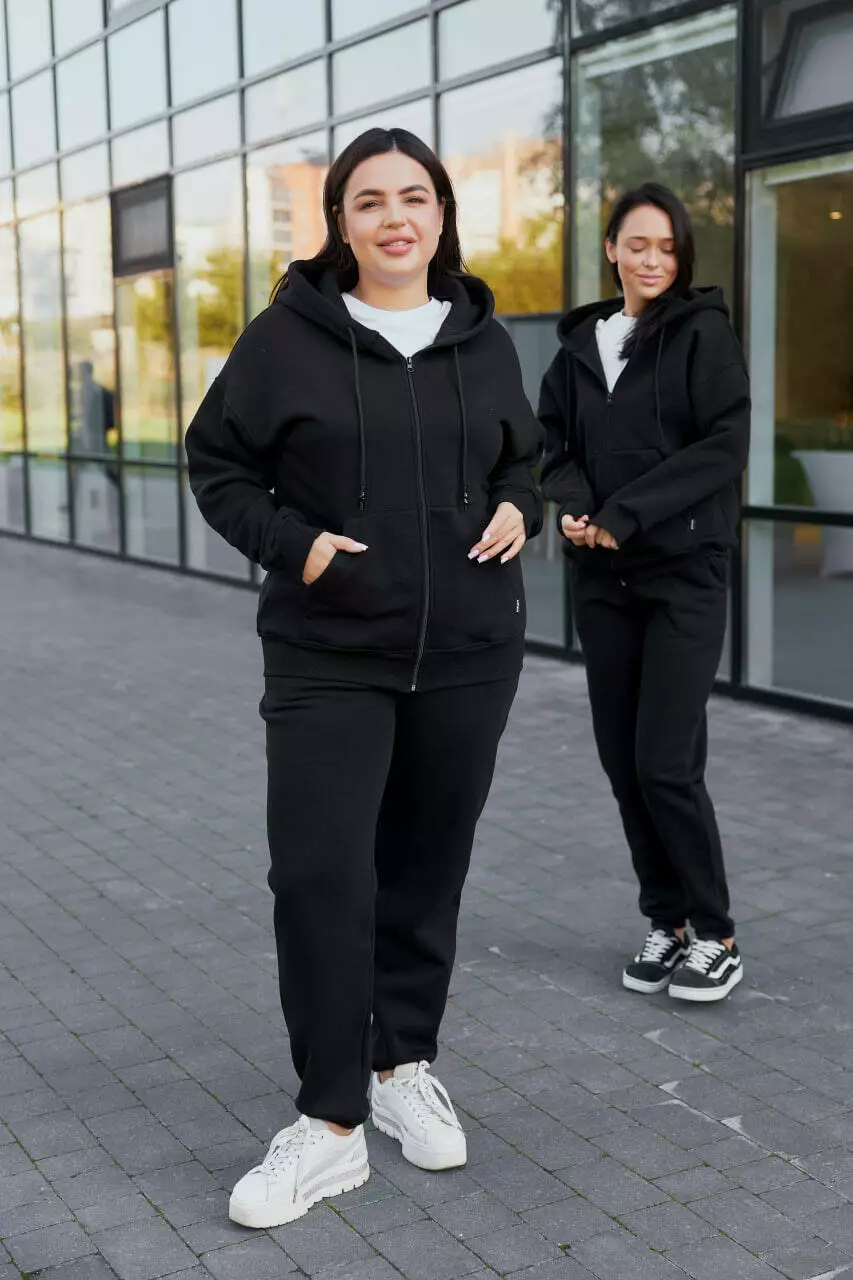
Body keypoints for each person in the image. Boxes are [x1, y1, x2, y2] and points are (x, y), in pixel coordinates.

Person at [185, 127, 542, 1228]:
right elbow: (216, 463)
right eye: (372, 200)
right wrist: (293, 546)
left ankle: (401, 1066)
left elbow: (523, 457)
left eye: (415, 197)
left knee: (427, 872)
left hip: (468, 655)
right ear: (339, 220)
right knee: (320, 877)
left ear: (441, 214)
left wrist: (520, 504)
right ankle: (329, 1122)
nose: (396, 218)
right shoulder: (285, 339)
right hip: (328, 654)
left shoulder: (483, 339)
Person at [540, 182, 749, 1005]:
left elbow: (724, 445)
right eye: (637, 245)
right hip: (604, 579)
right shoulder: (579, 348)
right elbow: (550, 444)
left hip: (684, 573)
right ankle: (667, 921)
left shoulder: (702, 335)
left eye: (666, 247)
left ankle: (716, 933)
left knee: (665, 761)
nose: (652, 259)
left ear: (681, 254)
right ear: (611, 250)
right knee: (624, 764)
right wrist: (574, 506)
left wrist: (623, 513)